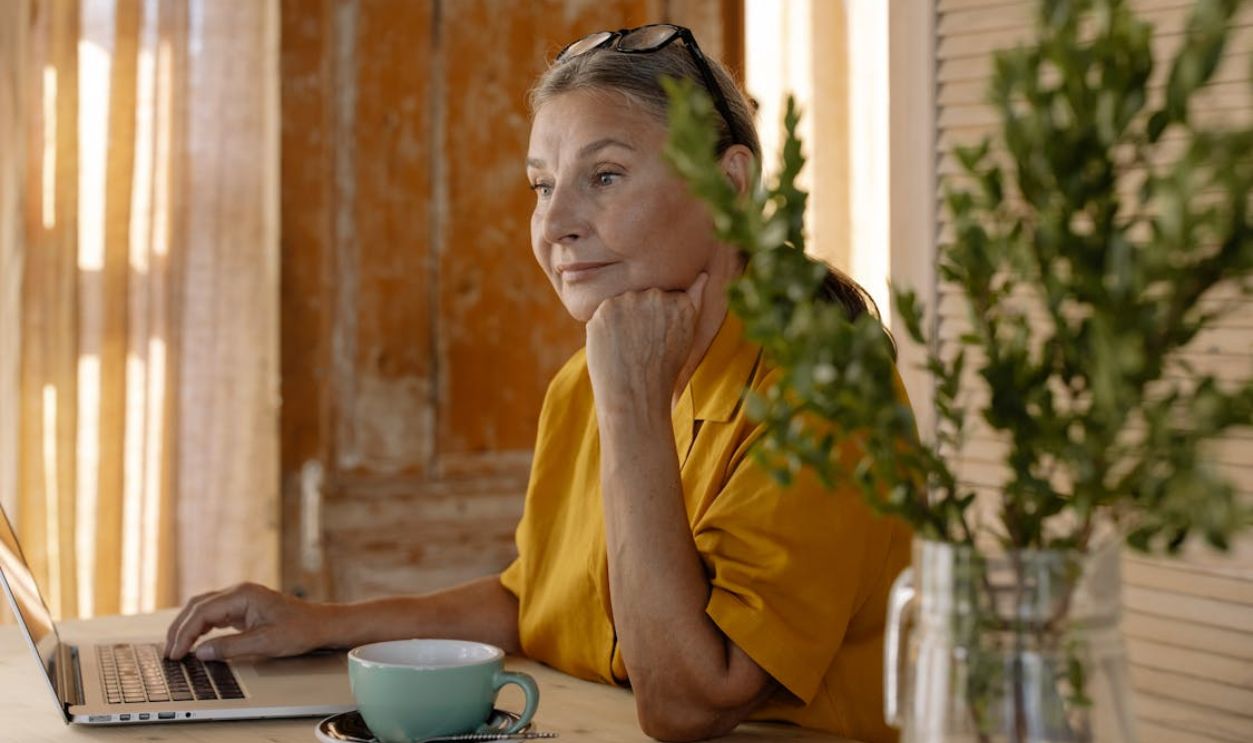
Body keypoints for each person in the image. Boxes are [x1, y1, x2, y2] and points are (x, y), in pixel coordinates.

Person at [165, 24, 911, 743]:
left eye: (605, 175)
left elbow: (691, 699)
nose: (553, 221)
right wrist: (316, 621)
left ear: (729, 185)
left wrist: (630, 408)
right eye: (540, 184)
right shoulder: (583, 383)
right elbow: (538, 601)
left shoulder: (823, 397)